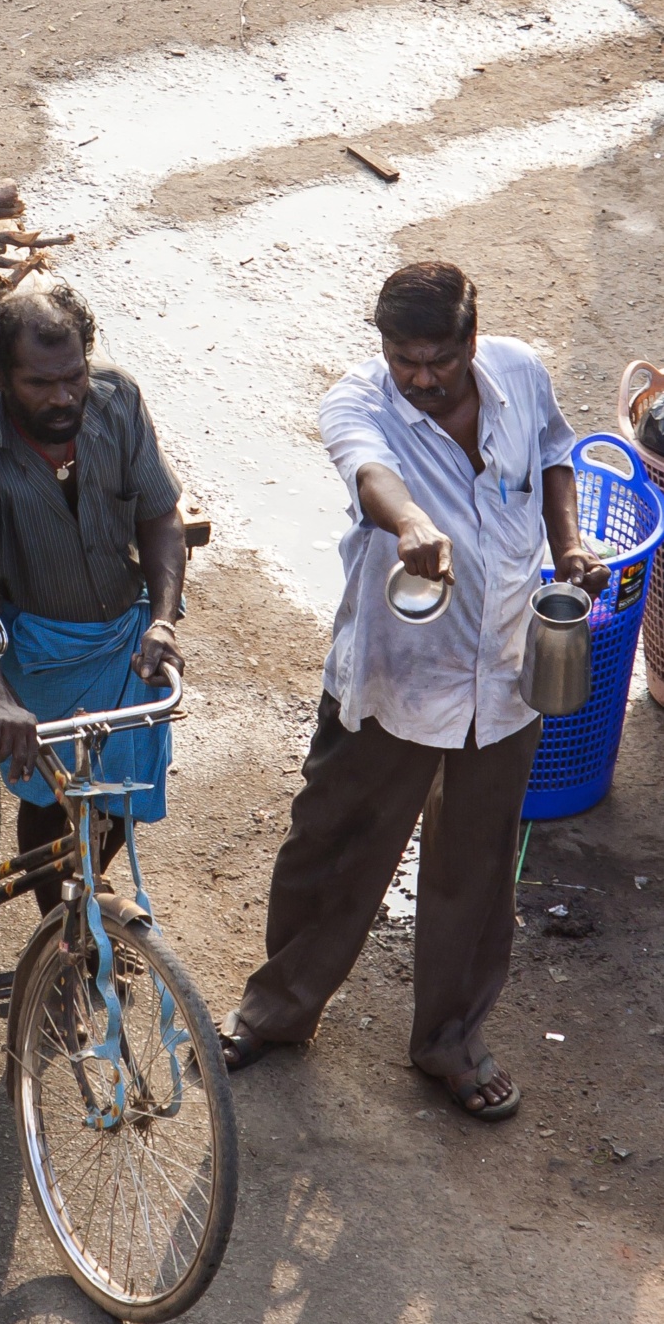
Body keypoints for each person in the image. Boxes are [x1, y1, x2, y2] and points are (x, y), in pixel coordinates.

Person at [221, 261, 606, 1120]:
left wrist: (568, 544)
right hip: (395, 672)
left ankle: (449, 1042)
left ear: (472, 340)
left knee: (476, 867)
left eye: (437, 358)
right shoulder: (358, 403)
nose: (422, 378)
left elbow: (552, 455)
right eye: (405, 358)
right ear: (384, 348)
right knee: (333, 843)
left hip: (505, 671)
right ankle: (277, 1011)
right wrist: (412, 523)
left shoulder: (517, 370)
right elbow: (369, 474)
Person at [0, 280, 187, 909]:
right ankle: (60, 933)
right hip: (38, 643)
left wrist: (162, 621)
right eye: (41, 384)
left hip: (125, 636)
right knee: (51, 797)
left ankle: (83, 897)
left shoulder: (117, 399)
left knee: (123, 783)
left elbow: (161, 517)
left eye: (73, 376)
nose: (64, 396)